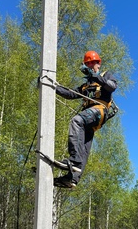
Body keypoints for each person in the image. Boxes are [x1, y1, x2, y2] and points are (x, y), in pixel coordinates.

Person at [54, 51, 117, 188]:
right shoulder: (85, 86)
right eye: (87, 64)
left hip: (99, 111)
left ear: (98, 64)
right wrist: (53, 87)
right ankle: (72, 178)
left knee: (76, 121)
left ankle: (74, 161)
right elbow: (71, 94)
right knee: (83, 148)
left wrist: (93, 76)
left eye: (92, 63)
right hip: (90, 118)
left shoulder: (105, 76)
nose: (89, 66)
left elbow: (112, 86)